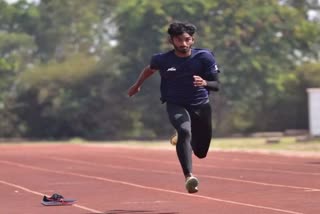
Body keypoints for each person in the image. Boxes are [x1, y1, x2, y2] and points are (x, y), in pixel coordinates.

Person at [127, 21, 220, 194]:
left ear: (192, 40)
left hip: (201, 105)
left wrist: (205, 82)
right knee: (185, 130)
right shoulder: (162, 59)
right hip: (175, 103)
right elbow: (149, 69)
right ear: (172, 41)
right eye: (179, 40)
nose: (183, 44)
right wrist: (137, 85)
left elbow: (216, 85)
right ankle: (189, 176)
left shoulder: (205, 57)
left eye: (187, 39)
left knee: (201, 153)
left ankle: (182, 136)